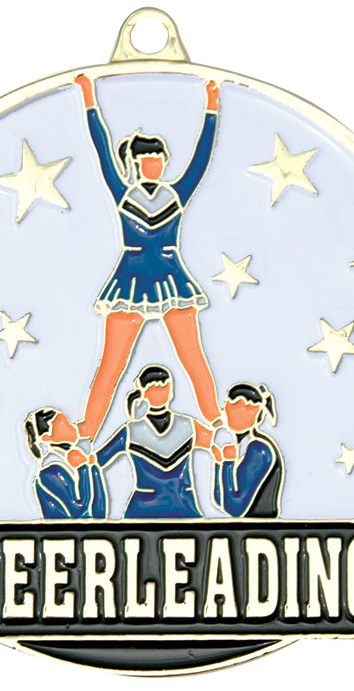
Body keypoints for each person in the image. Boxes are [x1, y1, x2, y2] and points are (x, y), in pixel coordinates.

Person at [73, 74, 222, 443]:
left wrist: (211, 109)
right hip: (131, 280)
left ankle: (215, 418)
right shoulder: (123, 194)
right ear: (137, 164)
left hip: (172, 279)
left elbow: (201, 160)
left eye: (158, 159)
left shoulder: (177, 194)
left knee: (193, 356)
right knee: (112, 362)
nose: (153, 165)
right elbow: (102, 151)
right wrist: (89, 100)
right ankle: (89, 428)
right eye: (147, 160)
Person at [95, 365, 215, 519]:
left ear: (171, 389)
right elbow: (97, 461)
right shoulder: (131, 430)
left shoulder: (188, 426)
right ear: (143, 392)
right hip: (144, 510)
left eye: (164, 386)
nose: (161, 391)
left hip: (183, 506)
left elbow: (217, 445)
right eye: (154, 387)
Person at [213, 383, 284, 518]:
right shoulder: (239, 446)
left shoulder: (259, 450)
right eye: (229, 406)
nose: (226, 412)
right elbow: (219, 500)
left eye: (236, 407)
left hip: (260, 526)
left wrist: (227, 463)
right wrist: (218, 463)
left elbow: (235, 509)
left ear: (255, 414)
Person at [25, 407, 107, 519]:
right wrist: (83, 468)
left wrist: (92, 467)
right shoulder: (50, 471)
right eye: (65, 425)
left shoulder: (69, 458)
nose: (73, 426)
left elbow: (99, 511)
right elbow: (80, 510)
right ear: (47, 437)